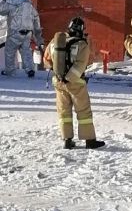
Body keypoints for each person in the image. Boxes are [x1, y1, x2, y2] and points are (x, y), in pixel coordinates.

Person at [43, 17, 105, 149]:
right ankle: (90, 141)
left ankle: (67, 140)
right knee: (84, 112)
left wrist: (60, 75)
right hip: (75, 83)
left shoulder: (55, 42)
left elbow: (46, 60)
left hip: (58, 82)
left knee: (64, 112)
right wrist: (69, 78)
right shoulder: (82, 45)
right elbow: (82, 64)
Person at [0, 0, 44, 77]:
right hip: (28, 32)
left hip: (15, 33)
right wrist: (37, 35)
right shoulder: (28, 4)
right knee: (25, 51)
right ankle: (30, 70)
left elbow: (1, 10)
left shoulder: (11, 3)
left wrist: (4, 0)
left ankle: (10, 71)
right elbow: (36, 17)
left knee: (9, 51)